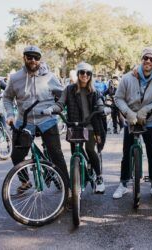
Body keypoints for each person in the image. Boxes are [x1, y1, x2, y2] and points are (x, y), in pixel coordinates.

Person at [2, 45, 69, 192]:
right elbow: (7, 98)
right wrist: (10, 115)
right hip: (24, 121)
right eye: (29, 57)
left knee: (56, 154)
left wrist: (56, 107)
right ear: (24, 57)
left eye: (36, 57)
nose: (33, 60)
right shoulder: (15, 78)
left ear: (40, 59)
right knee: (17, 156)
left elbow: (63, 96)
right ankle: (25, 181)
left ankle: (68, 190)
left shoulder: (50, 77)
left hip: (47, 120)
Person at [43, 62, 109, 193]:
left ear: (91, 76)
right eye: (82, 72)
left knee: (90, 149)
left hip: (90, 126)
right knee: (75, 154)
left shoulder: (94, 91)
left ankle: (99, 178)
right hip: (75, 126)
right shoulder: (69, 89)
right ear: (78, 74)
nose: (85, 75)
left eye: (88, 73)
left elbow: (100, 104)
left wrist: (104, 110)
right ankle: (79, 174)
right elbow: (61, 104)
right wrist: (51, 108)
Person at [113, 47, 152, 200]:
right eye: (145, 58)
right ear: (141, 59)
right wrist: (128, 113)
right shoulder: (128, 77)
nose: (148, 61)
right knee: (126, 153)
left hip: (149, 121)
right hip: (131, 120)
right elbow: (118, 98)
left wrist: (147, 109)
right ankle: (123, 184)